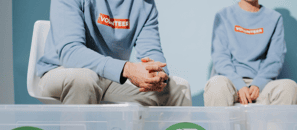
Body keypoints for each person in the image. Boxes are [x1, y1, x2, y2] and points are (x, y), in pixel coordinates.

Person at [37, 0, 191, 106]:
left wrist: (157, 74)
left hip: (111, 79)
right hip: (61, 71)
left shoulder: (145, 4)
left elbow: (151, 51)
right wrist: (127, 69)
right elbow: (70, 53)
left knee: (177, 89)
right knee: (84, 78)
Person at [204, 0, 297, 106]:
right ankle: (220, 123)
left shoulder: (275, 18)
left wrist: (258, 84)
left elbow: (275, 59)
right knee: (216, 84)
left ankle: (274, 123)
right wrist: (239, 85)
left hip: (262, 86)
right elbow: (220, 57)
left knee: (289, 87)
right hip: (230, 83)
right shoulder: (223, 15)